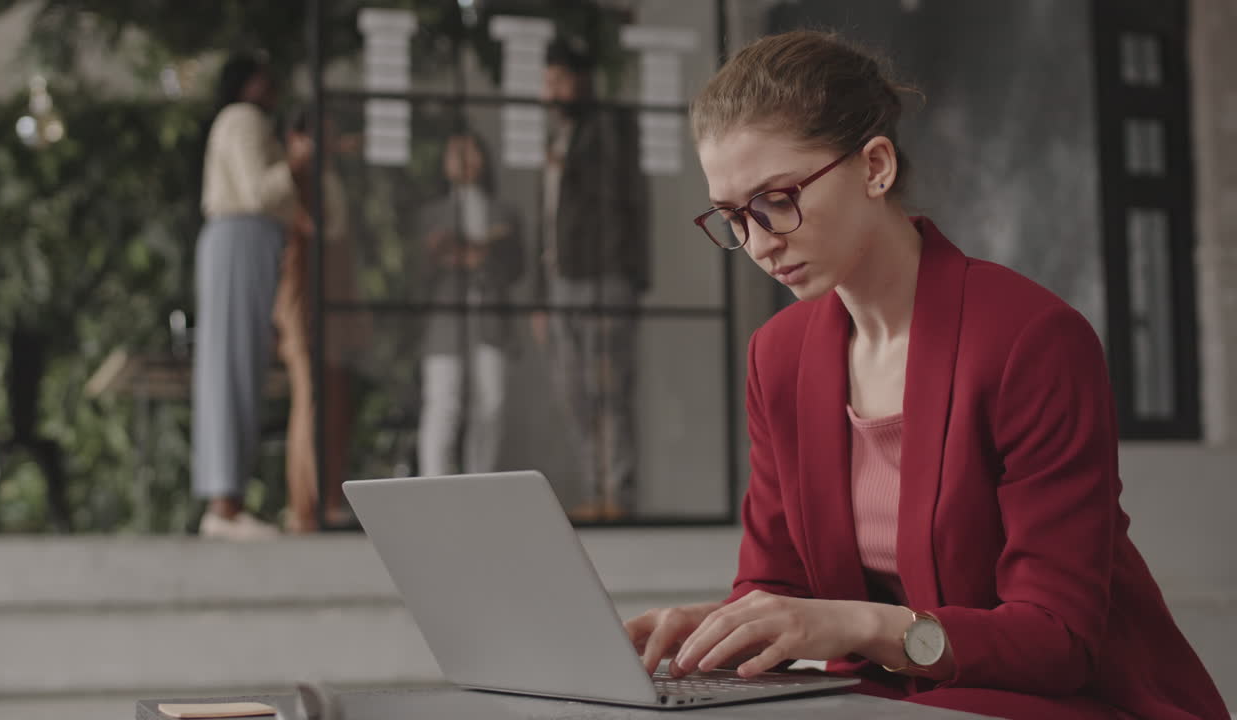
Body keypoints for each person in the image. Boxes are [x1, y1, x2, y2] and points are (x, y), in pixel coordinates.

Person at [624, 30, 1228, 720]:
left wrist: (857, 627)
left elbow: (1058, 641)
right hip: (888, 702)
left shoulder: (1031, 341)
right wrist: (708, 634)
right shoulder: (779, 356)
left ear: (875, 166)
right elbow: (776, 584)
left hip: (1060, 699)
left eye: (777, 200)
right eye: (734, 218)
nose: (760, 243)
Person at [192, 52, 310, 540]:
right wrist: (296, 163)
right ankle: (224, 504)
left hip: (250, 240)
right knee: (231, 366)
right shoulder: (242, 119)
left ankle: (229, 499)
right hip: (241, 234)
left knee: (242, 365)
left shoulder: (244, 120)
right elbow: (258, 191)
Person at [534, 38, 649, 522]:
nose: (549, 90)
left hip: (603, 277)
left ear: (581, 80)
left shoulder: (609, 126)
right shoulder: (557, 135)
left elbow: (623, 198)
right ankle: (596, 487)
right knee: (573, 391)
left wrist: (629, 277)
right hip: (562, 280)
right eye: (547, 80)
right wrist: (539, 298)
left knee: (608, 388)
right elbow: (549, 219)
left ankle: (616, 494)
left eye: (558, 79)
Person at [272, 107, 361, 532]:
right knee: (308, 396)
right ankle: (304, 505)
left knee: (335, 396)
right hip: (303, 298)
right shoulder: (293, 179)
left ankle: (329, 495)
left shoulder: (334, 181)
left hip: (334, 296)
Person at [416, 132, 524, 477]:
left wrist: (481, 256)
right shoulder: (431, 215)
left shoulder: (503, 212)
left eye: (471, 151)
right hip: (447, 322)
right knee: (443, 404)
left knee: (490, 404)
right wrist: (441, 254)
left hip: (489, 317)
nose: (463, 159)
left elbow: (516, 267)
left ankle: (480, 483)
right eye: (455, 152)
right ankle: (434, 488)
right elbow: (418, 273)